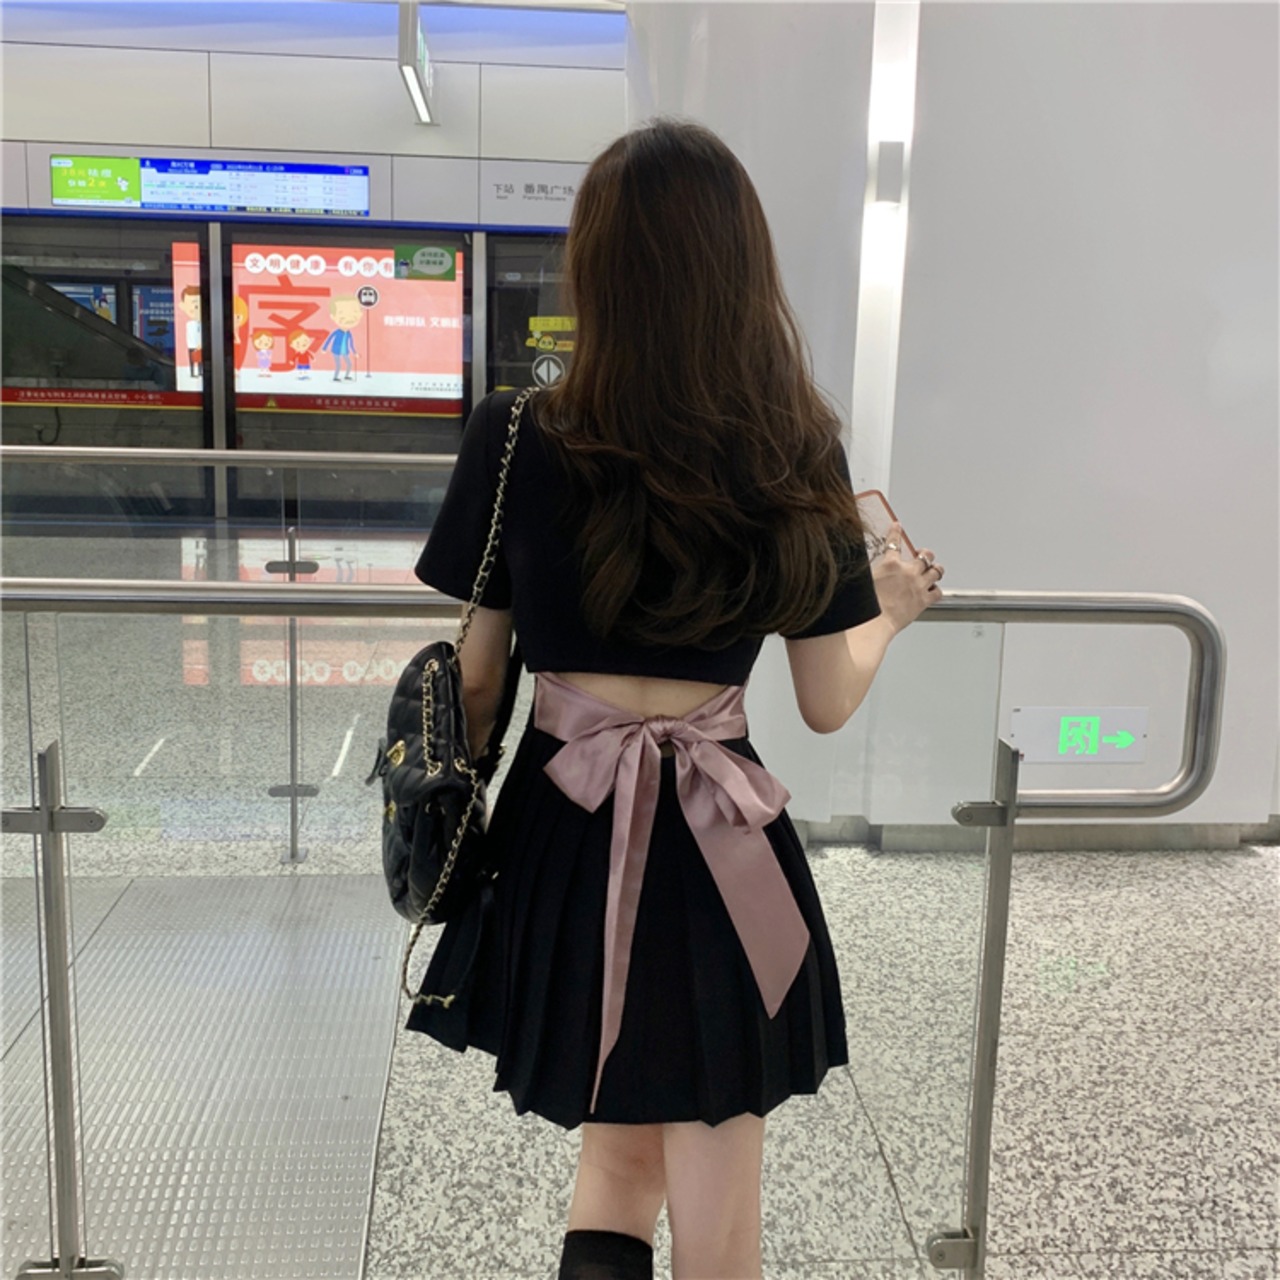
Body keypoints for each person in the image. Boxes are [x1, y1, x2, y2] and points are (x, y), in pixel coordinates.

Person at [408, 118, 945, 1280]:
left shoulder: (514, 434)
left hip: (559, 835)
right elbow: (824, 699)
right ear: (740, 268)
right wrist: (891, 610)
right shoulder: (794, 448)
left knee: (613, 1161)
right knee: (718, 1200)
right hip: (720, 847)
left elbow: (480, 677)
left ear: (595, 265)